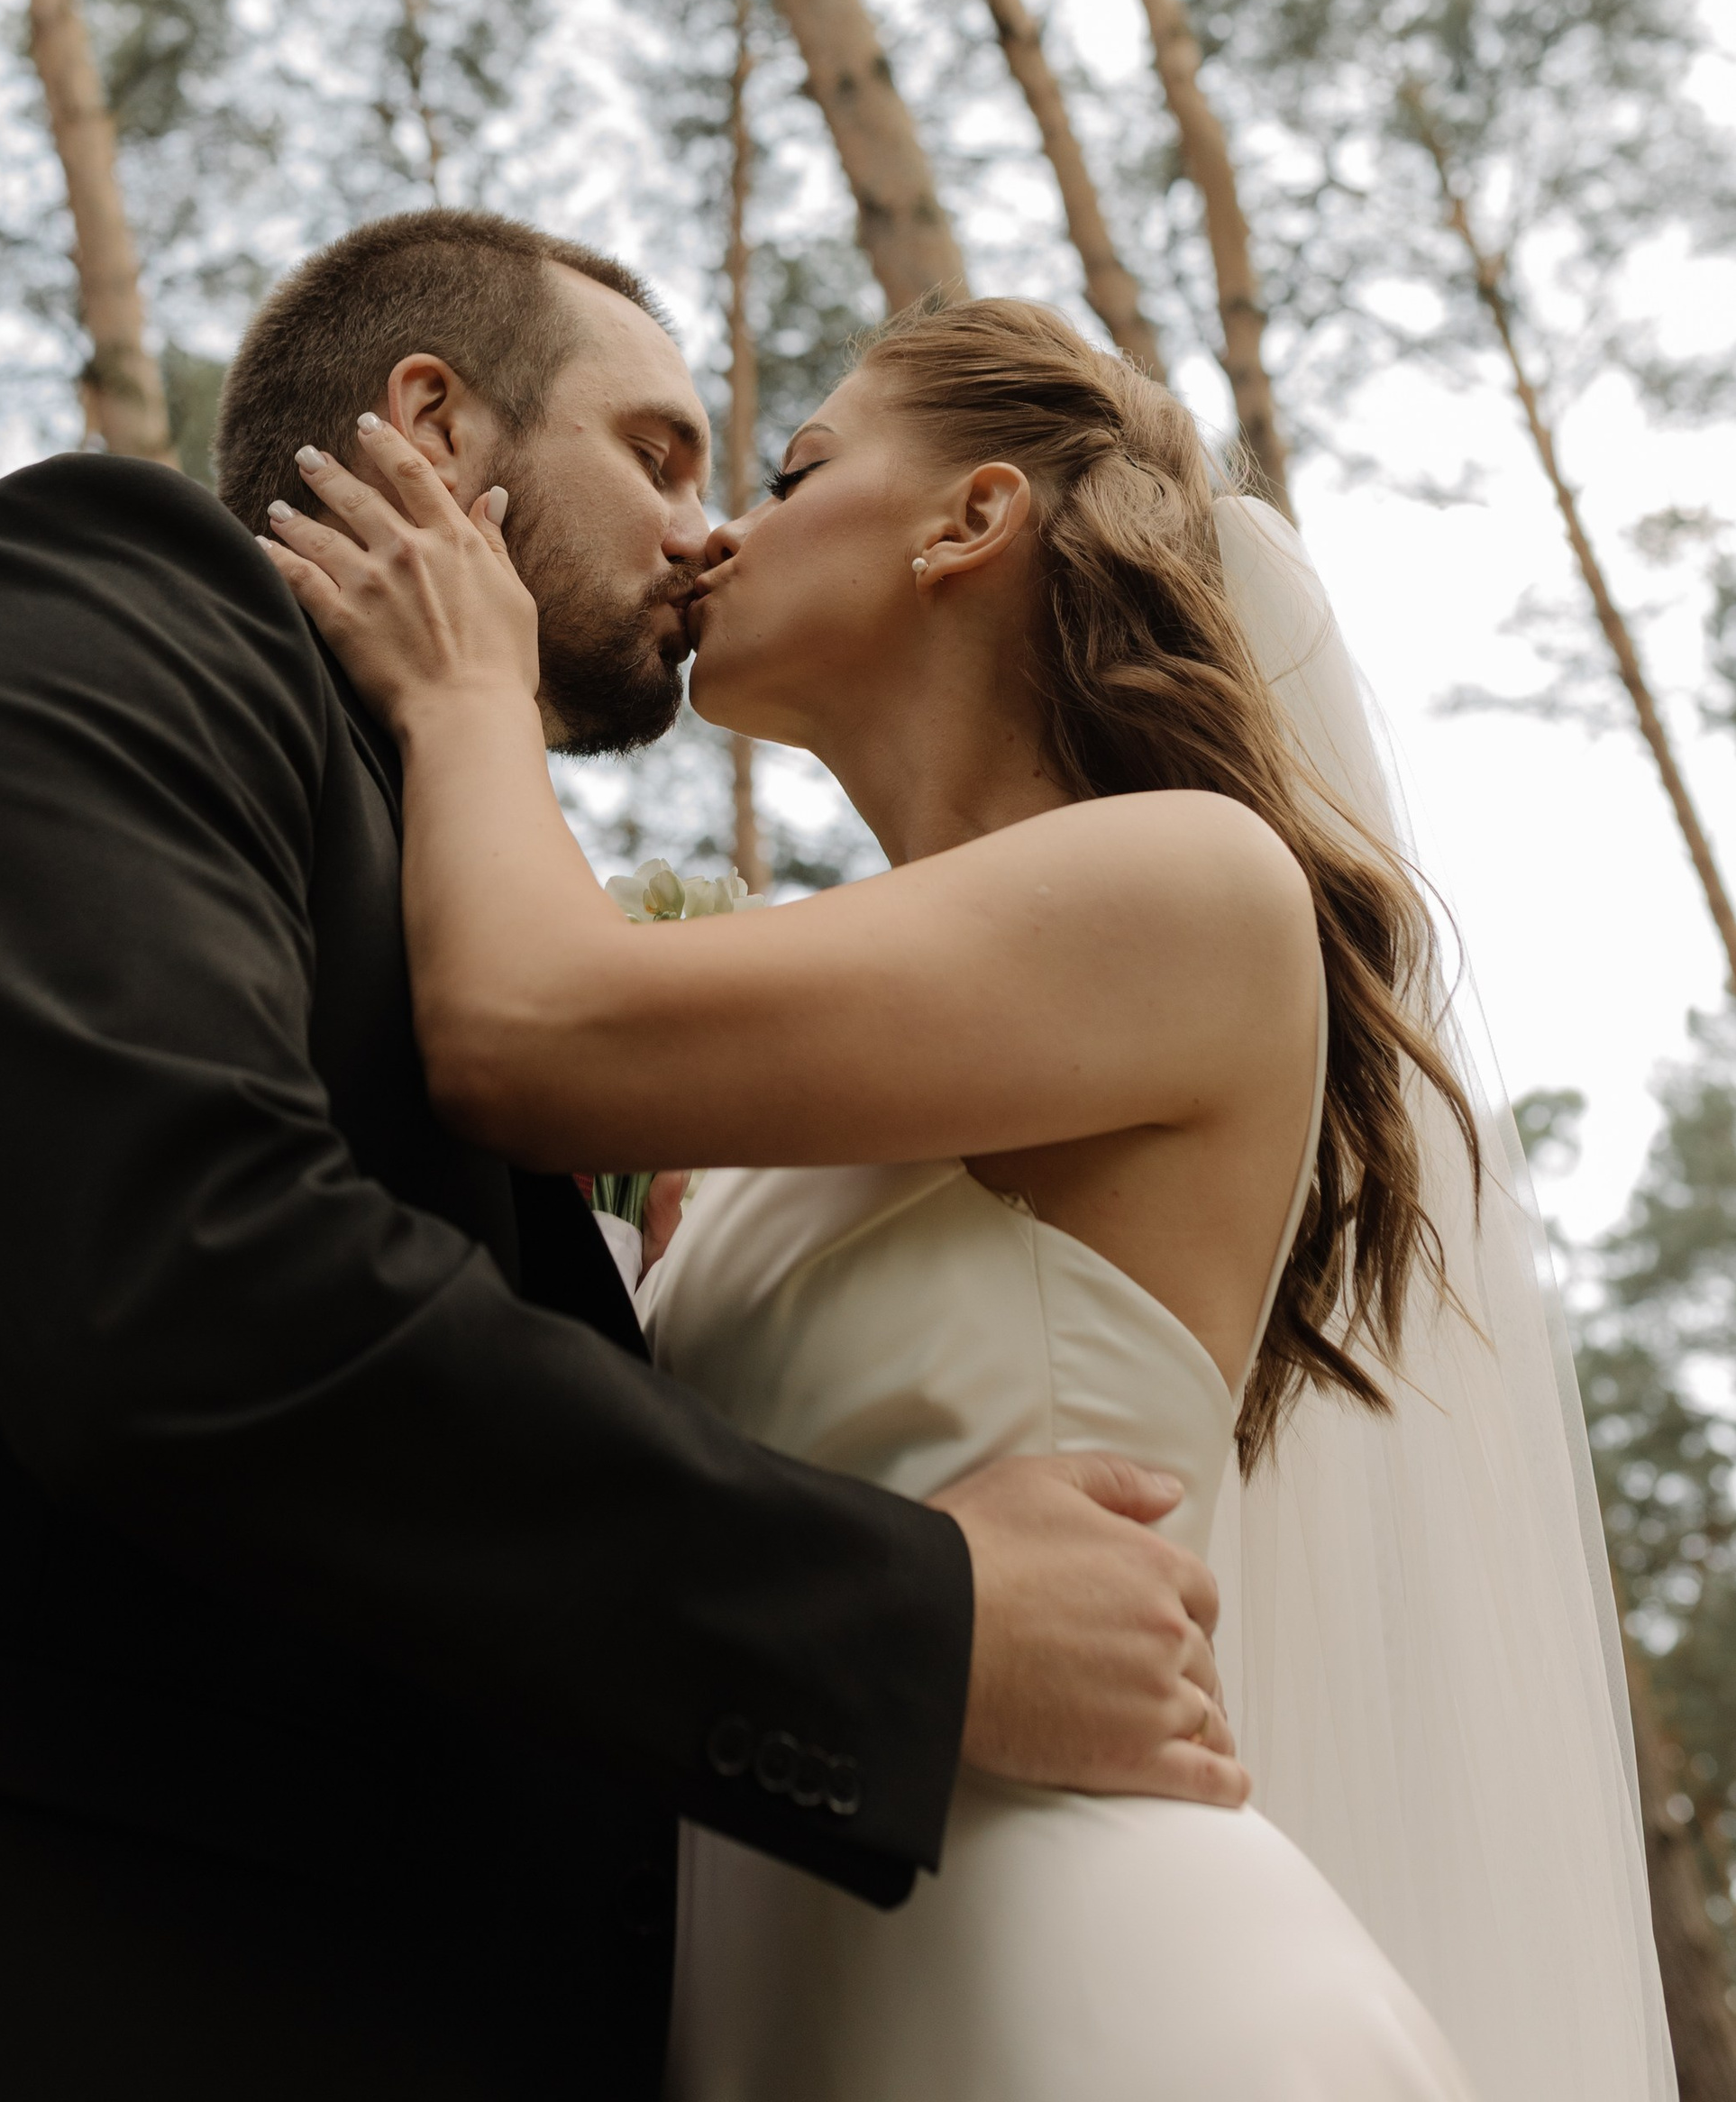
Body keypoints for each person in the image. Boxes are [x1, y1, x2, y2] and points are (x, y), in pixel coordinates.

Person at [0, 216, 1239, 2102]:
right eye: (654, 453)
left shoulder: (506, 909)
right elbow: (189, 1273)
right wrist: (912, 1618)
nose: (702, 532)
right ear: (432, 425)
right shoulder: (110, 590)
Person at [267, 285, 1675, 2101]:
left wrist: (469, 687)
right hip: (807, 2002)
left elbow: (525, 1027)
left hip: (1097, 1995)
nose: (710, 535)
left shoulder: (1190, 885)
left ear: (967, 520)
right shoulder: (844, 1061)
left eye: (790, 471)